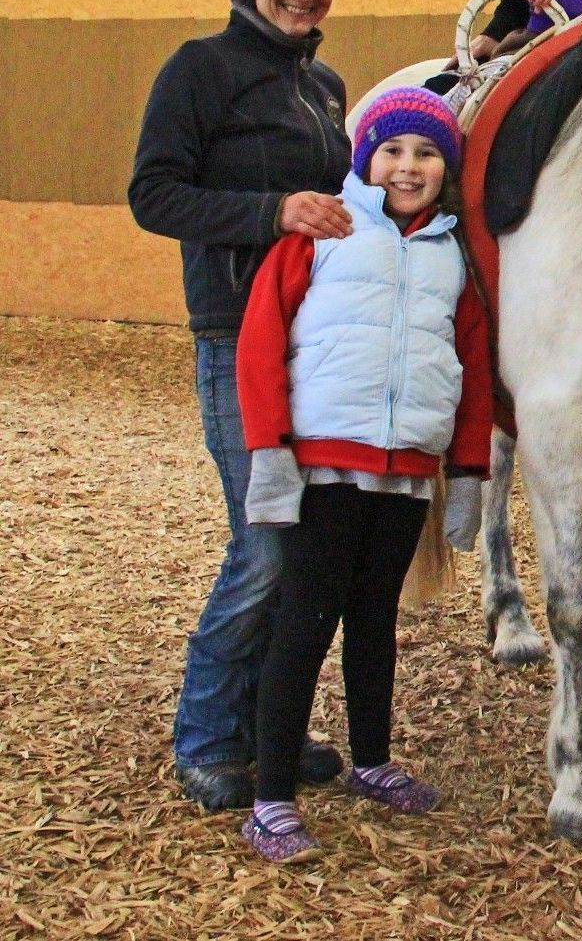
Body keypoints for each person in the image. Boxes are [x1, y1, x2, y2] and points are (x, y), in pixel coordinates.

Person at [129, 0, 357, 812]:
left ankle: (269, 725)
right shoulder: (199, 69)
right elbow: (155, 195)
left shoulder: (325, 86)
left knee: (306, 546)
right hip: (236, 336)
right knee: (264, 543)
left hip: (319, 339)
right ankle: (208, 733)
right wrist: (273, 211)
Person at [234, 88, 493, 863]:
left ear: (446, 169)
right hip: (325, 464)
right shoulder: (326, 232)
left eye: (426, 153)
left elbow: (472, 366)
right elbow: (261, 340)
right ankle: (271, 798)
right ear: (365, 158)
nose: (408, 167)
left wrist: (470, 471)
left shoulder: (453, 255)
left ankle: (372, 759)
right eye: (392, 151)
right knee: (305, 621)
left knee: (375, 619)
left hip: (407, 469)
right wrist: (271, 452)